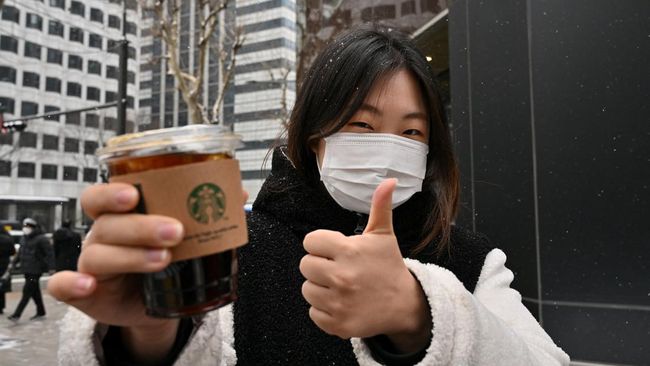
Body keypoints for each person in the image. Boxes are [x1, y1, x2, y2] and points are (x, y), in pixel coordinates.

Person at [50, 24, 570, 365]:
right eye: (362, 125)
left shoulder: (470, 260)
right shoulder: (226, 249)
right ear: (314, 137)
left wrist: (422, 316)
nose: (388, 148)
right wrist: (146, 340)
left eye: (412, 132)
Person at [8, 218, 52, 321]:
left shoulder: (41, 239)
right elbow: (20, 253)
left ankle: (16, 315)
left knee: (27, 291)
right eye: (24, 226)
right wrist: (14, 263)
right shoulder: (24, 238)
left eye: (28, 227)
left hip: (36, 270)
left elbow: (49, 254)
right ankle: (41, 312)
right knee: (35, 291)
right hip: (27, 269)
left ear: (33, 228)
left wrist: (51, 267)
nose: (25, 229)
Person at [0, 226, 16, 314]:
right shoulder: (8, 239)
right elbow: (13, 252)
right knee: (2, 286)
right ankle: (1, 307)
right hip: (4, 264)